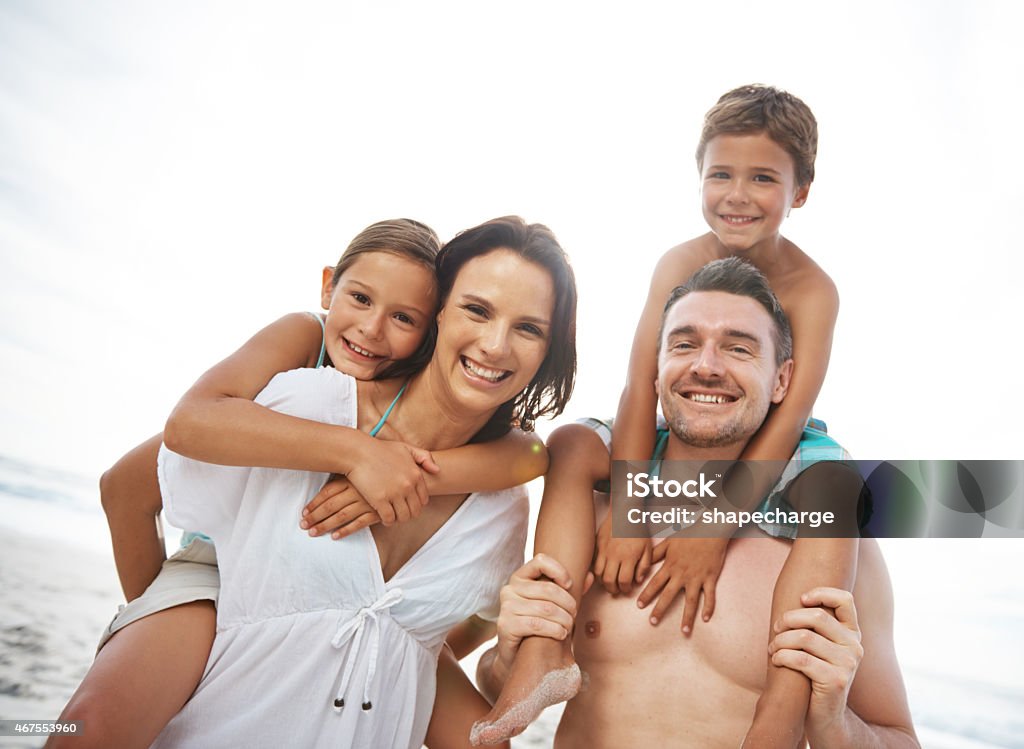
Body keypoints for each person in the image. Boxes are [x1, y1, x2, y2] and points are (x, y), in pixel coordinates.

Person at [50, 217, 572, 749]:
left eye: (529, 328)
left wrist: (395, 650)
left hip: (374, 671)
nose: (494, 344)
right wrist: (153, 619)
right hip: (211, 579)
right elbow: (140, 472)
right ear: (440, 312)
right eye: (477, 310)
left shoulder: (509, 485)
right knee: (84, 727)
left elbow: (528, 464)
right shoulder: (301, 385)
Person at [473, 84, 857, 747]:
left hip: (780, 445)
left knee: (840, 492)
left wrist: (713, 523)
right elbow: (638, 385)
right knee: (569, 443)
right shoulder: (679, 262)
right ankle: (543, 648)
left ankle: (781, 709)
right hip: (681, 436)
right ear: (700, 177)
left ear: (800, 192)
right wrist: (630, 507)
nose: (737, 194)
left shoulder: (814, 288)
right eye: (721, 174)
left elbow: (788, 415)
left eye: (763, 177)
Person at [477, 258, 918, 748]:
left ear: (782, 380)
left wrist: (833, 721)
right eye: (684, 345)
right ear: (657, 368)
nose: (706, 367)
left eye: (738, 348)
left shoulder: (834, 544)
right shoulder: (592, 511)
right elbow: (492, 685)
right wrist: (507, 653)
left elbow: (900, 739)